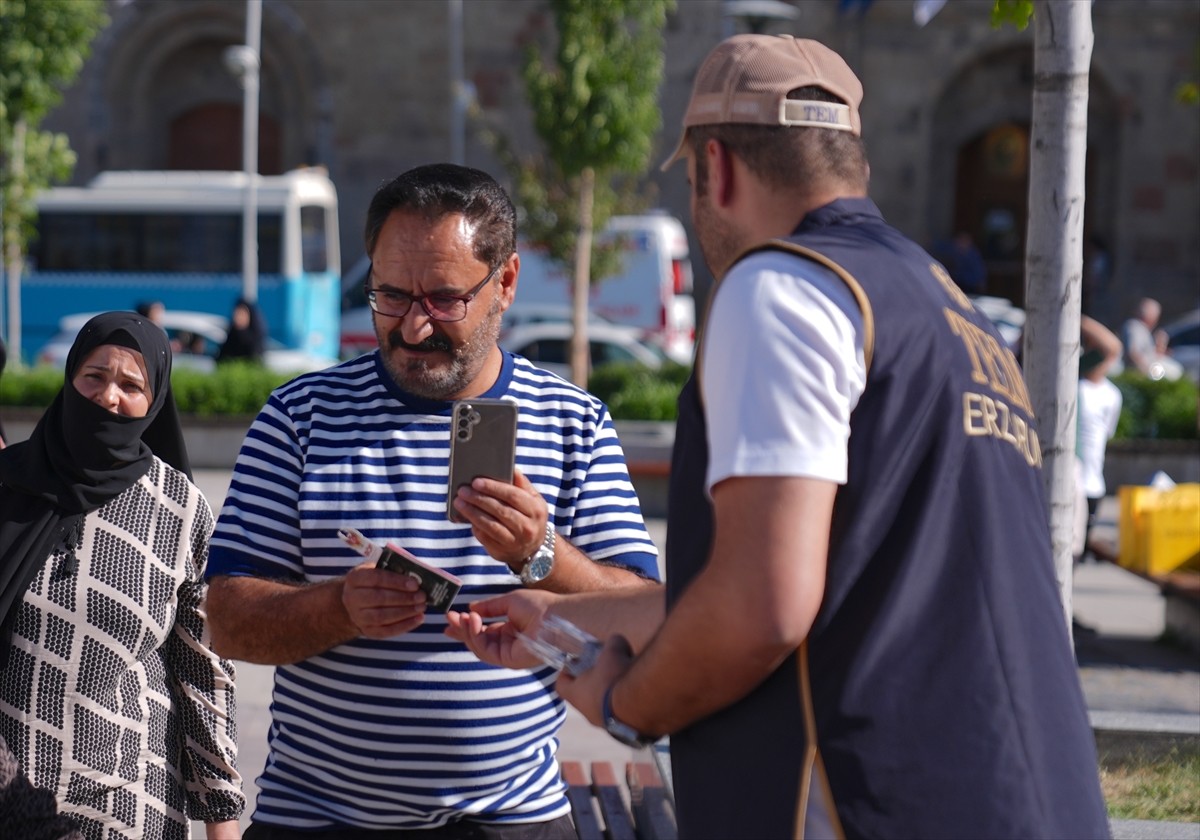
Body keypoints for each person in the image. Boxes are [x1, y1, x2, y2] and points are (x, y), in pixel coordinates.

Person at [447, 34, 1110, 838]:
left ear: (714, 168)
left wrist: (626, 703)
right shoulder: (945, 309)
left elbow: (763, 606)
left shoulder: (781, 287)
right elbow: (820, 592)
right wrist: (567, 626)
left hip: (867, 800)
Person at [203, 163, 660, 837]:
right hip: (318, 819)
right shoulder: (299, 417)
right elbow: (226, 621)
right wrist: (338, 607)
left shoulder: (572, 423)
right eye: (390, 297)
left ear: (504, 283)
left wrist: (541, 557)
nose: (414, 328)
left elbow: (643, 616)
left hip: (513, 819)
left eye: (443, 300)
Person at [0, 311, 244, 839]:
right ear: (69, 379)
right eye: (94, 377)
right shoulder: (8, 486)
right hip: (9, 797)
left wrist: (222, 827)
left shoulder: (179, 510)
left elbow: (203, 675)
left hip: (128, 804)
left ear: (153, 400)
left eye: (131, 385)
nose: (109, 397)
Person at [1077, 316, 1124, 564]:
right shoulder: (1070, 383)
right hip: (1067, 481)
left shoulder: (1112, 395)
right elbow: (1111, 347)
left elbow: (1113, 349)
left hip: (1093, 484)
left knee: (1077, 555)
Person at [215, 297, 266, 364]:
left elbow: (255, 357)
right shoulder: (231, 335)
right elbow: (221, 358)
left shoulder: (255, 337)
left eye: (242, 314)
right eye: (237, 313)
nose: (239, 317)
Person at [1121, 297, 1162, 376]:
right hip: (1137, 374)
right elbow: (1133, 353)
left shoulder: (1143, 329)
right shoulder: (1134, 327)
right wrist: (1149, 373)